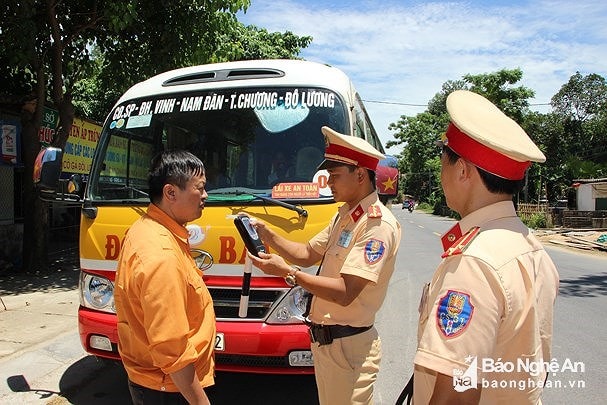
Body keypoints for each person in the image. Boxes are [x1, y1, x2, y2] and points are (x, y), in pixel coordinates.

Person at [412, 90, 559, 404]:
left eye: (443, 163)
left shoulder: (474, 261)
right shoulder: (531, 247)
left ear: (463, 170)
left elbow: (455, 396)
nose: (441, 176)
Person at [248, 126, 402, 405]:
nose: (327, 182)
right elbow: (307, 252)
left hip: (349, 348)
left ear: (359, 175)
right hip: (330, 346)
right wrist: (268, 234)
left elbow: (346, 291)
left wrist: (288, 273)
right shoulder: (345, 215)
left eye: (334, 175)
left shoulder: (376, 225)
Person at [114, 150, 215, 405]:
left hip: (158, 383)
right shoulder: (161, 253)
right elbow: (172, 352)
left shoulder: (148, 228)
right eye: (199, 188)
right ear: (171, 193)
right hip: (170, 389)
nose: (205, 196)